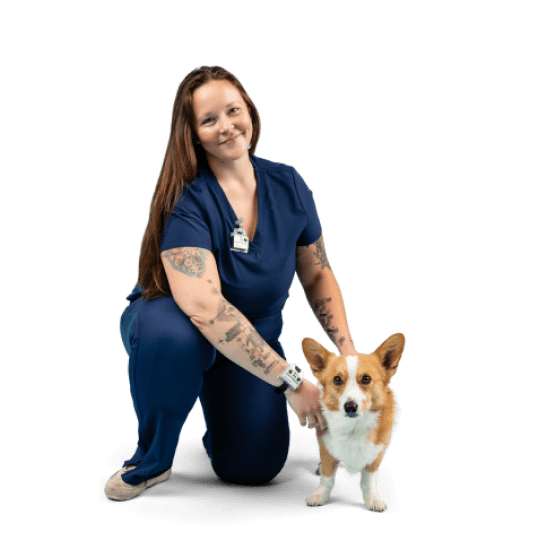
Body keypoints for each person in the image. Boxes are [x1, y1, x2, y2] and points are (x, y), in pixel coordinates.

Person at [104, 65, 357, 500]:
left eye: (232, 110)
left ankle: (217, 392)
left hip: (253, 337)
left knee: (253, 466)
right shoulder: (187, 200)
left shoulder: (289, 184)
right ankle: (154, 459)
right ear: (194, 135)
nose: (226, 126)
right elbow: (202, 306)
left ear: (251, 113)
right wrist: (293, 381)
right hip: (181, 322)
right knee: (171, 334)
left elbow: (316, 272)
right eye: (209, 120)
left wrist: (349, 355)